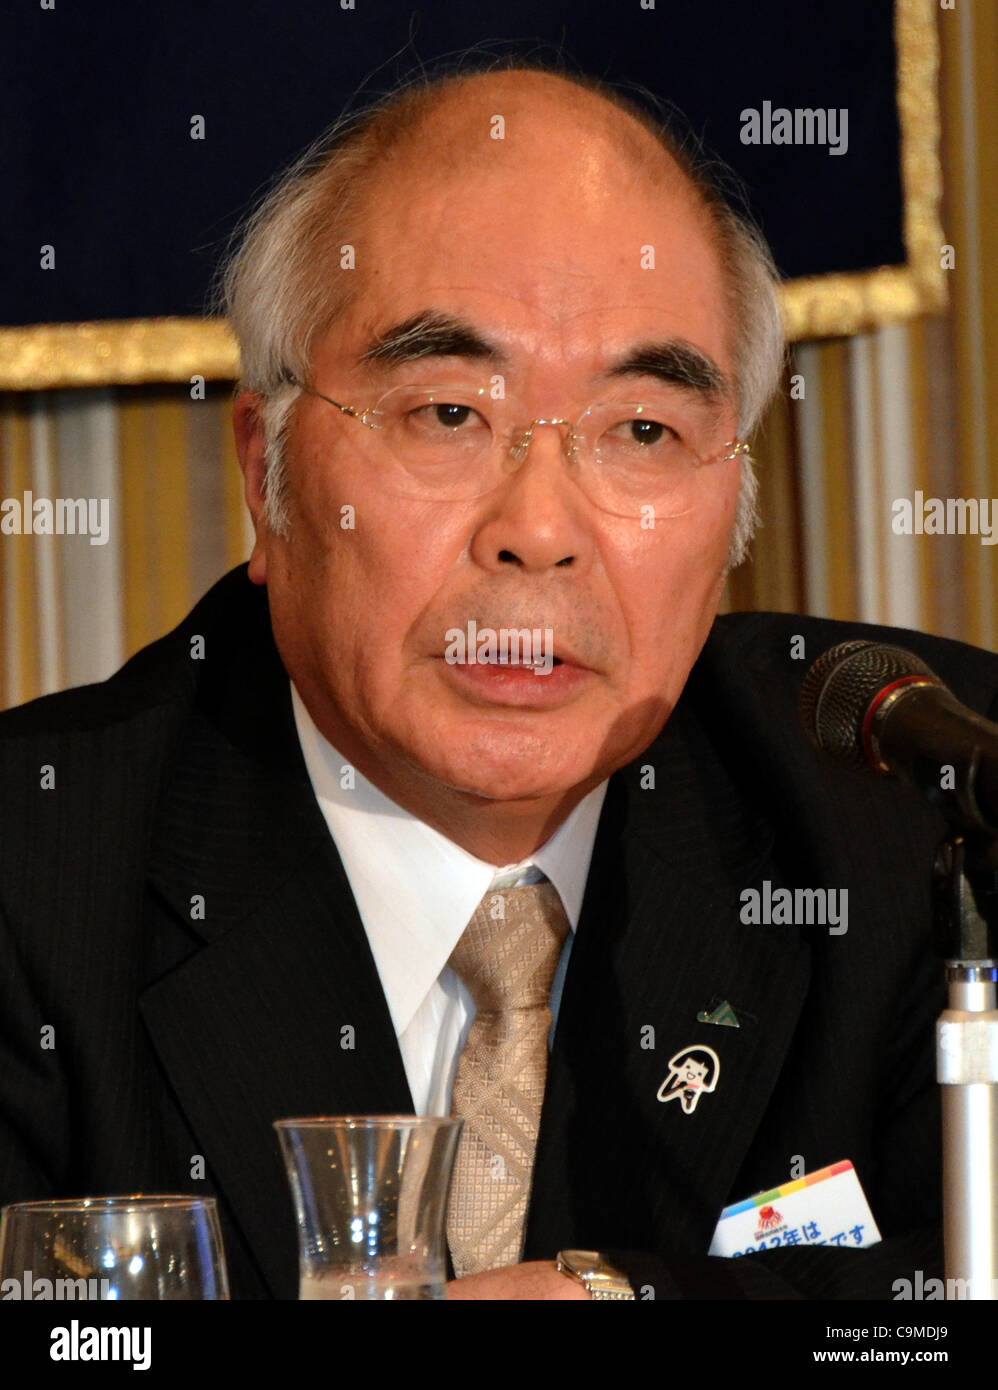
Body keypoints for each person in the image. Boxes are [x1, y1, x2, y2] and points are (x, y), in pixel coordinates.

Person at [1, 62, 996, 1301]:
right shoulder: (32, 876)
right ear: (267, 476)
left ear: (732, 499)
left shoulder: (913, 805)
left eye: (640, 430)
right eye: (447, 414)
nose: (538, 528)